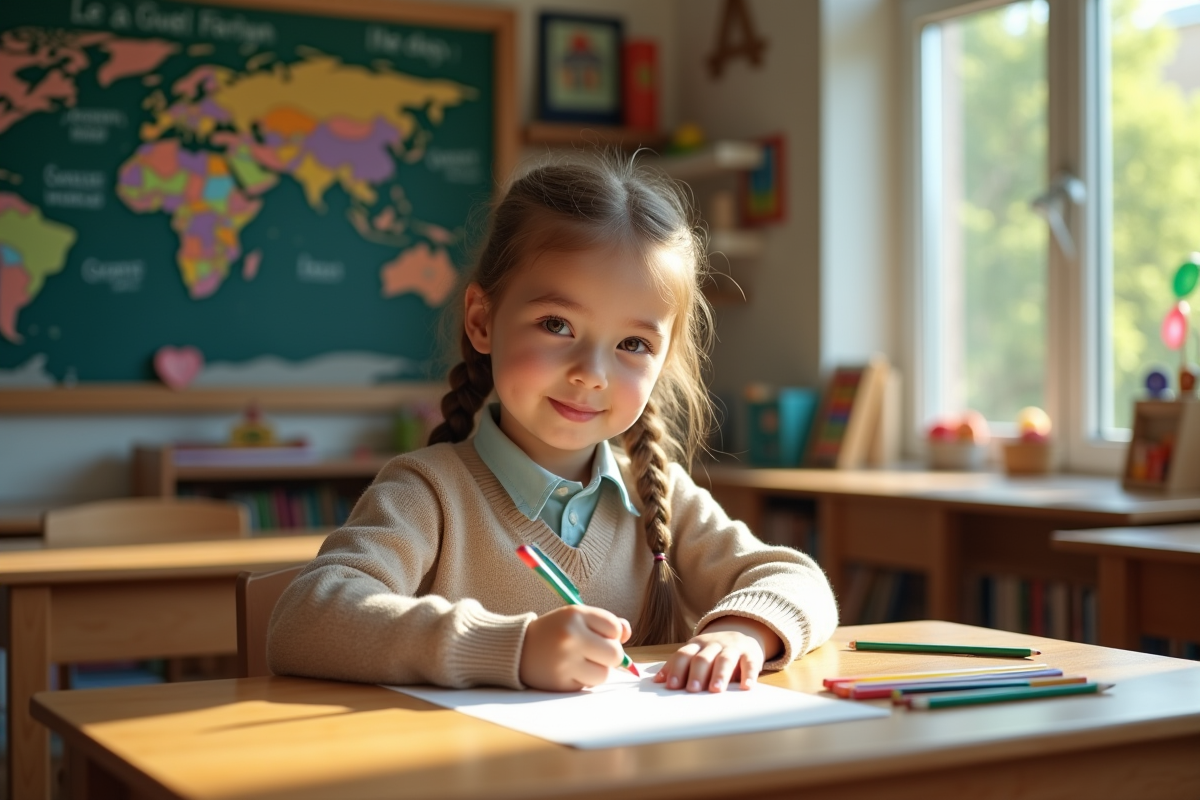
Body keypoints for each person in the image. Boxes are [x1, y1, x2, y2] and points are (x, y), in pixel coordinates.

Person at [268, 154, 838, 693]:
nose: (591, 374)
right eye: (557, 324)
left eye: (633, 343)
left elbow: (798, 581)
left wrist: (742, 631)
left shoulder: (661, 497)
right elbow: (306, 616)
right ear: (482, 320)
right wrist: (510, 649)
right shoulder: (428, 493)